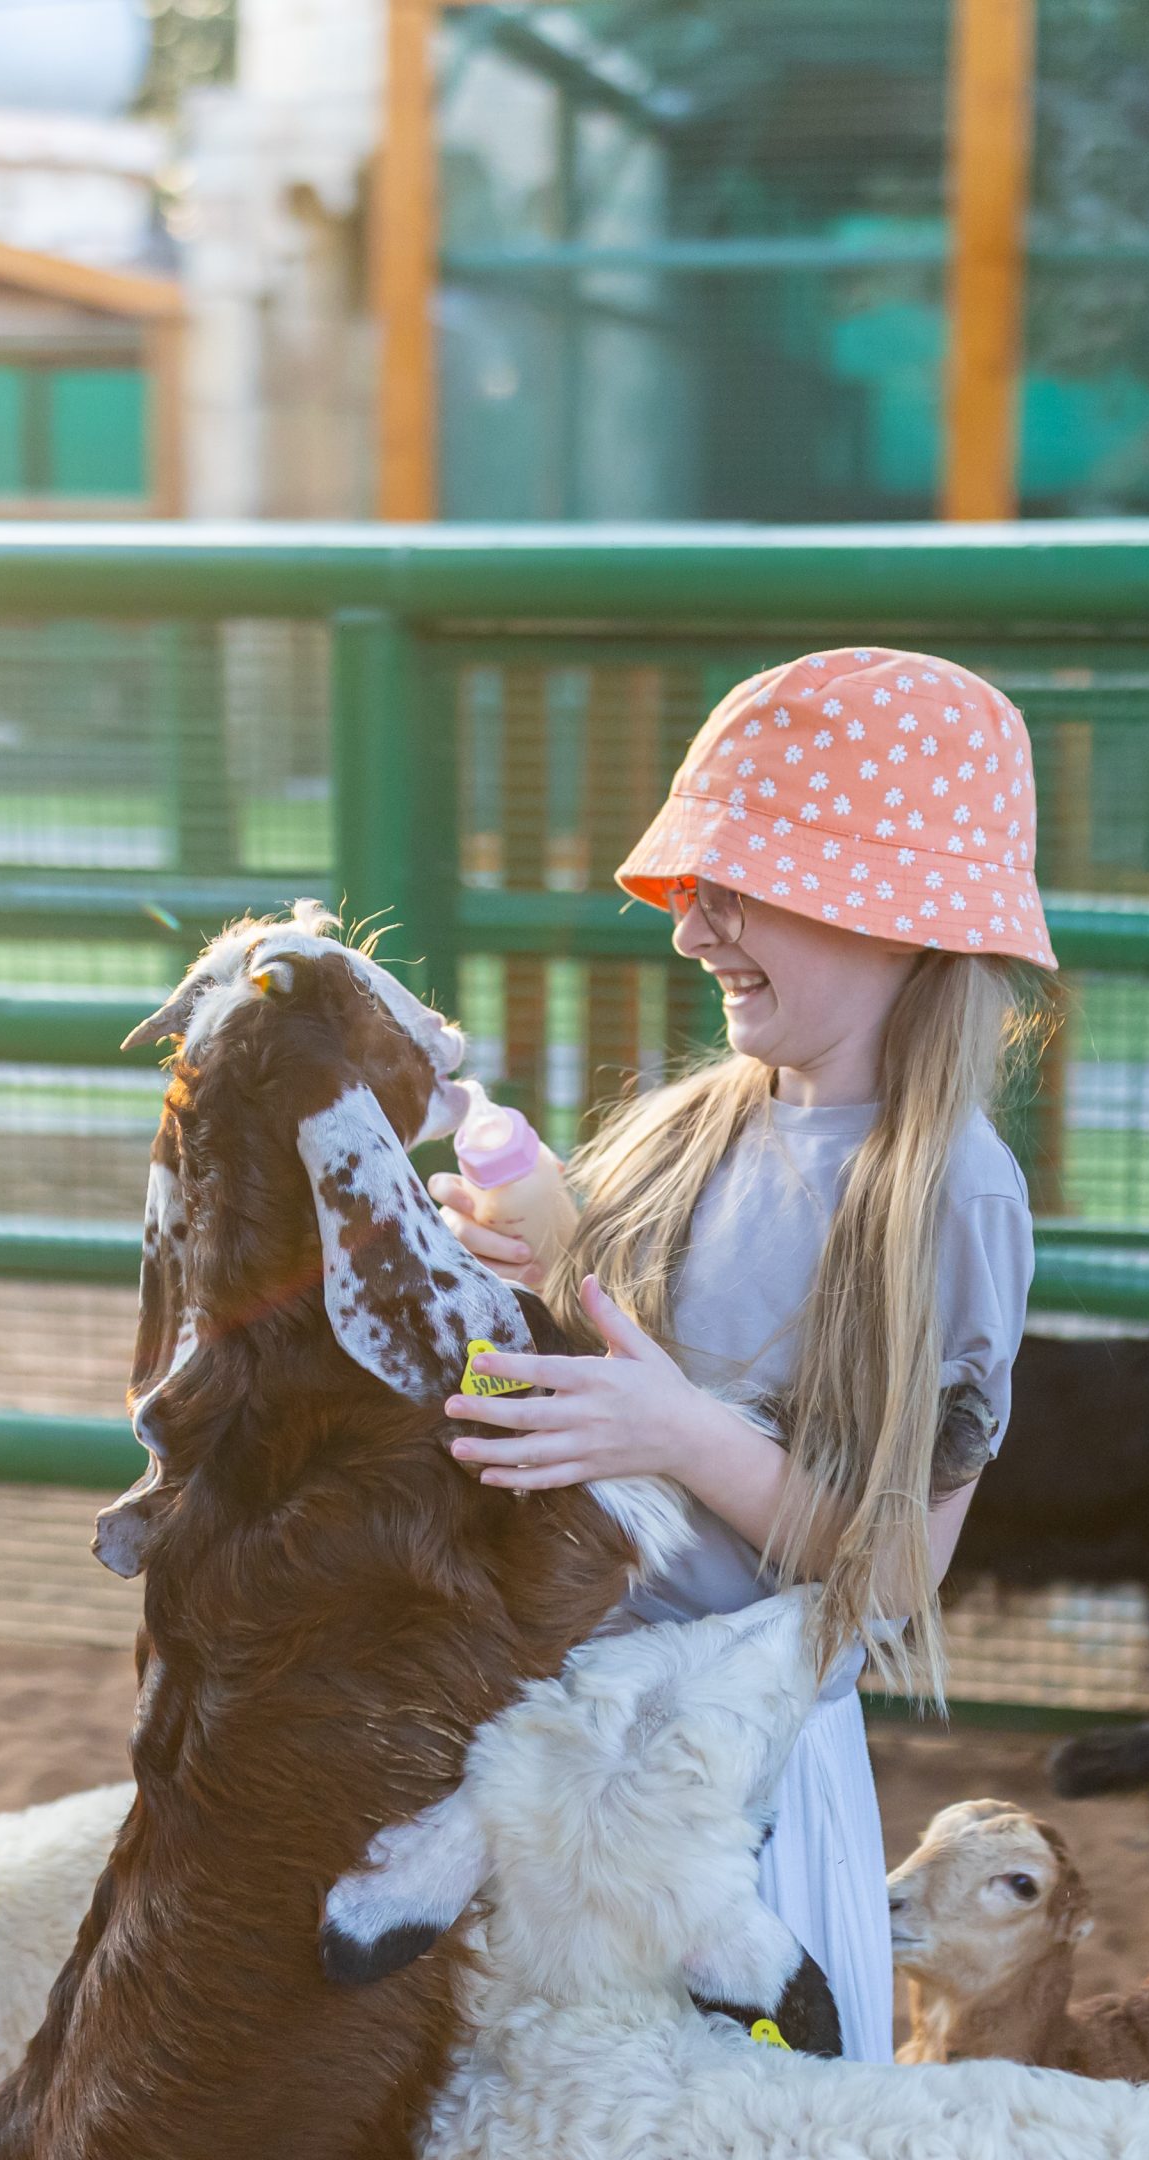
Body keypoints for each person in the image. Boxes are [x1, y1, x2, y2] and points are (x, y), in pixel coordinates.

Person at [431, 646, 1057, 2065]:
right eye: (692, 884)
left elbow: (893, 1573)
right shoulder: (688, 1127)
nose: (689, 928)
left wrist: (676, 1434)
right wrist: (522, 1265)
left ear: (893, 912)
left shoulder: (948, 1193)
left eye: (739, 885)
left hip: (741, 1780)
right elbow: (605, 1375)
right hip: (558, 1722)